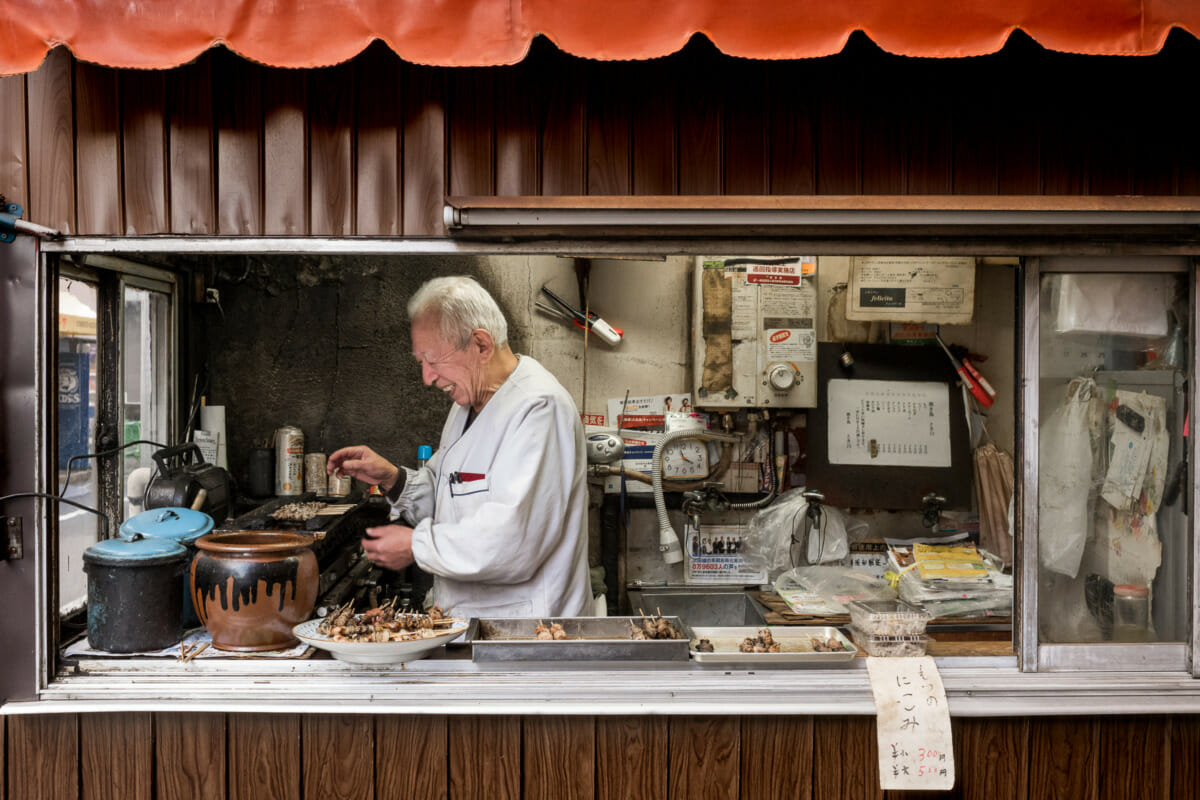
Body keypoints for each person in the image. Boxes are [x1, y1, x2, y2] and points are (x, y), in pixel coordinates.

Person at [328, 276, 591, 619]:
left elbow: (514, 542)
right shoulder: (465, 406)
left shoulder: (539, 408)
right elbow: (451, 497)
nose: (427, 377)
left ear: (481, 345)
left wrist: (415, 546)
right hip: (473, 625)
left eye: (432, 359)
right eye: (420, 361)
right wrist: (394, 479)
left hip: (528, 634)